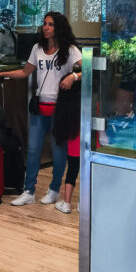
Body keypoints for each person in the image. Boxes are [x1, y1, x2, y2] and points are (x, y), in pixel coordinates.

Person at [0, 11, 81, 206]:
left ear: (59, 27)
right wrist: (2, 73)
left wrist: (73, 77)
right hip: (40, 106)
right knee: (33, 150)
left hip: (60, 108)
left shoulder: (69, 50)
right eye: (44, 24)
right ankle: (29, 190)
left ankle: (54, 189)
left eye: (50, 24)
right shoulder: (37, 48)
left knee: (58, 151)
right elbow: (24, 71)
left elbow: (85, 67)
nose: (46, 27)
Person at [52, 78, 81, 213]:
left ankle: (67, 203)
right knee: (88, 174)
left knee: (72, 171)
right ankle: (84, 203)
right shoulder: (90, 103)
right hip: (91, 143)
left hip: (74, 143)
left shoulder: (66, 108)